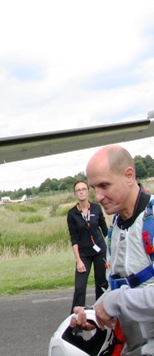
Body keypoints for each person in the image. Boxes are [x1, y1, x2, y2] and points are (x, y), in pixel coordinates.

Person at [70, 145, 154, 356]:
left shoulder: (150, 222)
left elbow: (121, 297)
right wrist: (95, 312)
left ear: (129, 176)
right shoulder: (116, 227)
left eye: (104, 185)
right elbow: (122, 285)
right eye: (94, 188)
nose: (98, 197)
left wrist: (115, 301)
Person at [67, 180, 109, 312]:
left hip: (100, 251)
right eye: (78, 190)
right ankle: (75, 318)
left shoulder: (96, 208)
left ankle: (101, 313)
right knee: (80, 287)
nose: (81, 192)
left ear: (88, 191)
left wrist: (111, 249)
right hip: (84, 254)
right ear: (75, 194)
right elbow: (74, 238)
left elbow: (105, 231)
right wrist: (78, 260)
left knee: (101, 284)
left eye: (83, 189)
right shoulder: (72, 214)